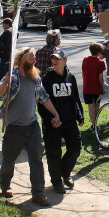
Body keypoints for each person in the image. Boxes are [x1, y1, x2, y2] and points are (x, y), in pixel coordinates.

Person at [0, 47, 61, 207]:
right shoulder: (14, 76)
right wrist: (5, 82)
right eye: (32, 57)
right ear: (23, 59)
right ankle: (5, 185)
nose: (35, 60)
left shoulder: (35, 78)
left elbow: (44, 98)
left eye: (35, 58)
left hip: (32, 126)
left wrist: (55, 114)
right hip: (14, 128)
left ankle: (38, 193)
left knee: (36, 159)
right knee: (9, 159)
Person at [39, 49, 83, 194]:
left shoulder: (70, 76)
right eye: (53, 58)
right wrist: (50, 118)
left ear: (65, 60)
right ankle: (56, 181)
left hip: (69, 120)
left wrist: (80, 115)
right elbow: (41, 102)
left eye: (58, 58)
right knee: (53, 152)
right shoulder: (47, 79)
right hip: (52, 123)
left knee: (75, 147)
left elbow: (75, 98)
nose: (55, 61)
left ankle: (65, 172)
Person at [82, 42, 106, 126]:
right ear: (99, 53)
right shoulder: (100, 62)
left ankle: (93, 125)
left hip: (87, 87)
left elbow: (83, 73)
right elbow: (100, 77)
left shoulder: (85, 60)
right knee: (97, 106)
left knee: (90, 107)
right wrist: (102, 88)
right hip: (96, 88)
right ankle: (95, 124)